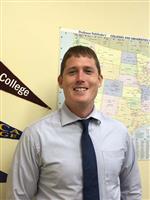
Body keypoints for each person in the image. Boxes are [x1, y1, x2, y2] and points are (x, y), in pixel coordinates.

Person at [7, 45, 142, 200]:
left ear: (99, 80)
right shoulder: (35, 136)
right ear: (61, 81)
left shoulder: (120, 133)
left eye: (88, 71)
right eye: (72, 72)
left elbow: (131, 192)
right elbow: (18, 196)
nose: (80, 78)